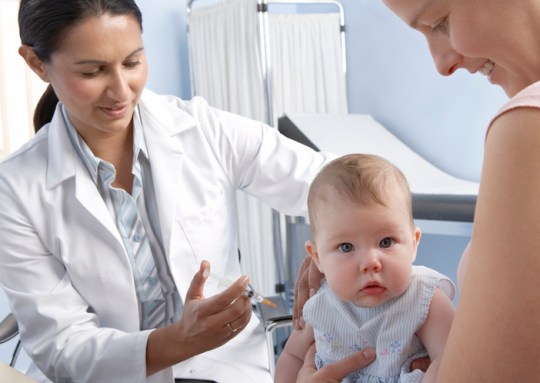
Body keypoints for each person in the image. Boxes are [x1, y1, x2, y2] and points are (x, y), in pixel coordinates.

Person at [0, 1, 335, 382]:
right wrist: (179, 341)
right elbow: (62, 347)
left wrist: (334, 243)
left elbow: (330, 180)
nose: (121, 90)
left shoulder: (202, 129)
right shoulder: (15, 189)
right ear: (36, 63)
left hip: (228, 371)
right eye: (92, 71)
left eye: (132, 62)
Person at [296, 0, 540, 381]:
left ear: (415, 238)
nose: (442, 64)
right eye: (346, 247)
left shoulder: (527, 125)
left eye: (440, 21)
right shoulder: (324, 308)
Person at [275, 154, 455, 382]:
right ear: (317, 258)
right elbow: (292, 357)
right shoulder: (321, 306)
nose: (371, 262)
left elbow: (451, 360)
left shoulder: (424, 299)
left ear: (414, 243)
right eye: (346, 247)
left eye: (386, 242)